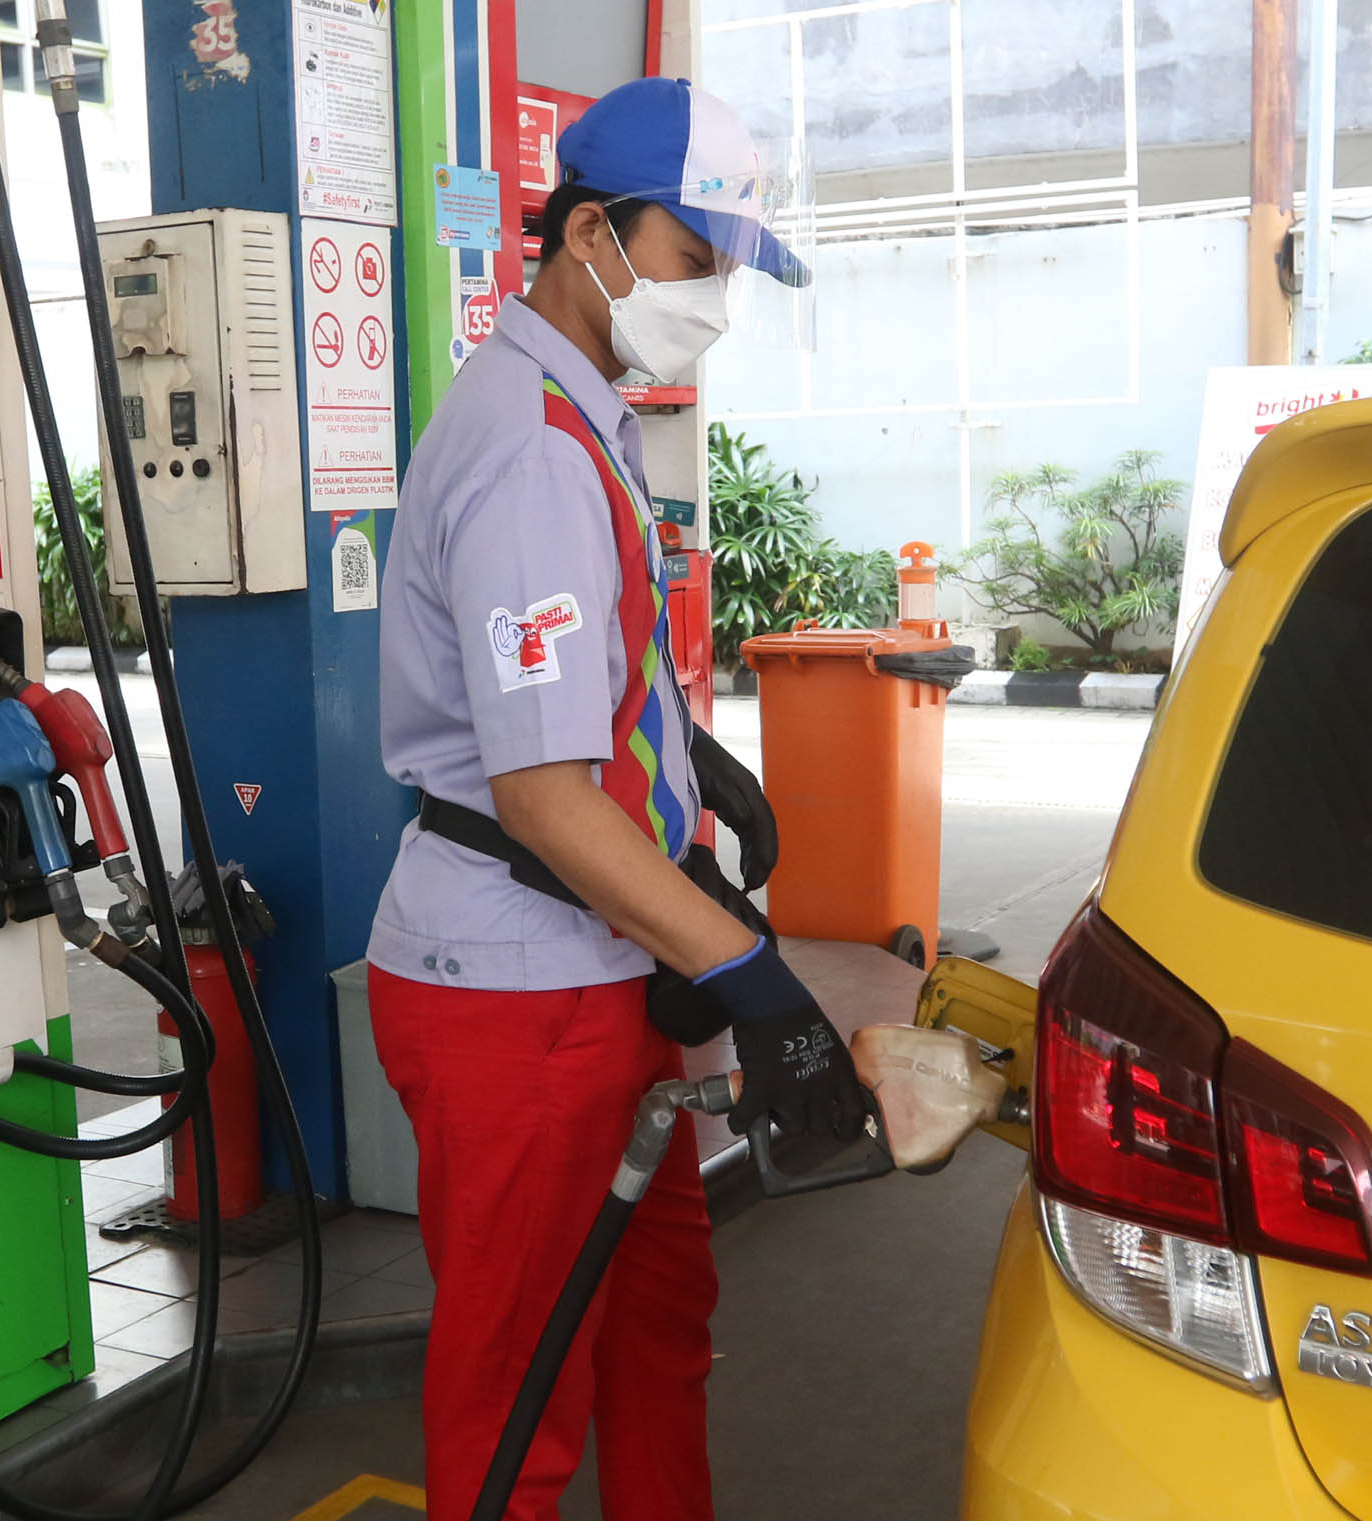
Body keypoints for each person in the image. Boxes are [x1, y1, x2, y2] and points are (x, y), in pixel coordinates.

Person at [367, 77, 871, 1520]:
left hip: (599, 962)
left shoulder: (579, 408)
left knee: (657, 1334)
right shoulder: (530, 443)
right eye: (692, 254)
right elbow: (533, 790)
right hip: (513, 993)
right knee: (523, 1392)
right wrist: (750, 971)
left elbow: (566, 682)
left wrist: (689, 773)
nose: (711, 293)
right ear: (590, 232)